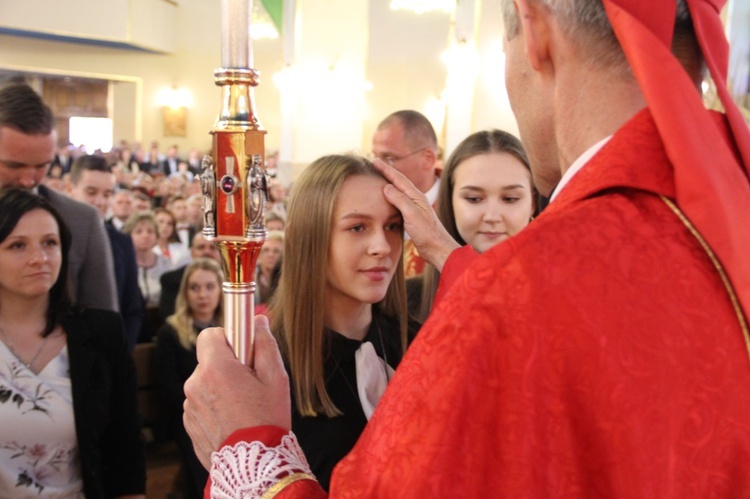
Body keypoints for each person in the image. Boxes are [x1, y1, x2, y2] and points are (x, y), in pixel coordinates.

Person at [183, 0, 750, 497]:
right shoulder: (721, 221)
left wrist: (248, 450)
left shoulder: (512, 292)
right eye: (356, 228)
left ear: (533, 28)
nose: (380, 246)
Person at [263, 155, 419, 491]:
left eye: (392, 226)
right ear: (305, 237)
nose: (382, 247)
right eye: (357, 227)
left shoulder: (420, 344)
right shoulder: (268, 369)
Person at [0, 188, 145, 498]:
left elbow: (124, 449)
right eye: (17, 245)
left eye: (49, 243)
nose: (39, 258)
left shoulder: (101, 332)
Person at [0, 83, 118, 312]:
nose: (28, 180)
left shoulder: (81, 220)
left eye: (41, 166)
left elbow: (102, 321)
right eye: (14, 165)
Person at [408, 129, 536, 322]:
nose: (492, 216)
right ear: (450, 200)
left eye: (510, 199)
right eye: (474, 199)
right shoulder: (408, 302)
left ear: (533, 203)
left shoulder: (560, 294)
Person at [155, 258, 223, 499]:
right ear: (185, 293)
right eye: (194, 288)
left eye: (209, 287)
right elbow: (168, 386)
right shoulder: (170, 332)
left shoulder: (230, 328)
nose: (202, 295)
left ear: (220, 289)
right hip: (188, 416)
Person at [67, 155, 145, 349]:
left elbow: (132, 306)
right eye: (91, 192)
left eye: (107, 194)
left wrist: (121, 351)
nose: (100, 201)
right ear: (70, 190)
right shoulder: (53, 239)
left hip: (111, 353)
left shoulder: (122, 241)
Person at [372, 110, 441, 277]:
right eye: (374, 157)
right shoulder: (372, 204)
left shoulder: (457, 209)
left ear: (428, 159)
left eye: (389, 158)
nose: (376, 168)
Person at [158, 232, 222, 322]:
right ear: (192, 252)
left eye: (212, 248)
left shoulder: (233, 281)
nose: (206, 252)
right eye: (201, 247)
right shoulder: (171, 280)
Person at [255, 230, 284, 308]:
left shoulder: (288, 282)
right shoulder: (251, 282)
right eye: (266, 250)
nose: (270, 255)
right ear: (258, 255)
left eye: (276, 251)